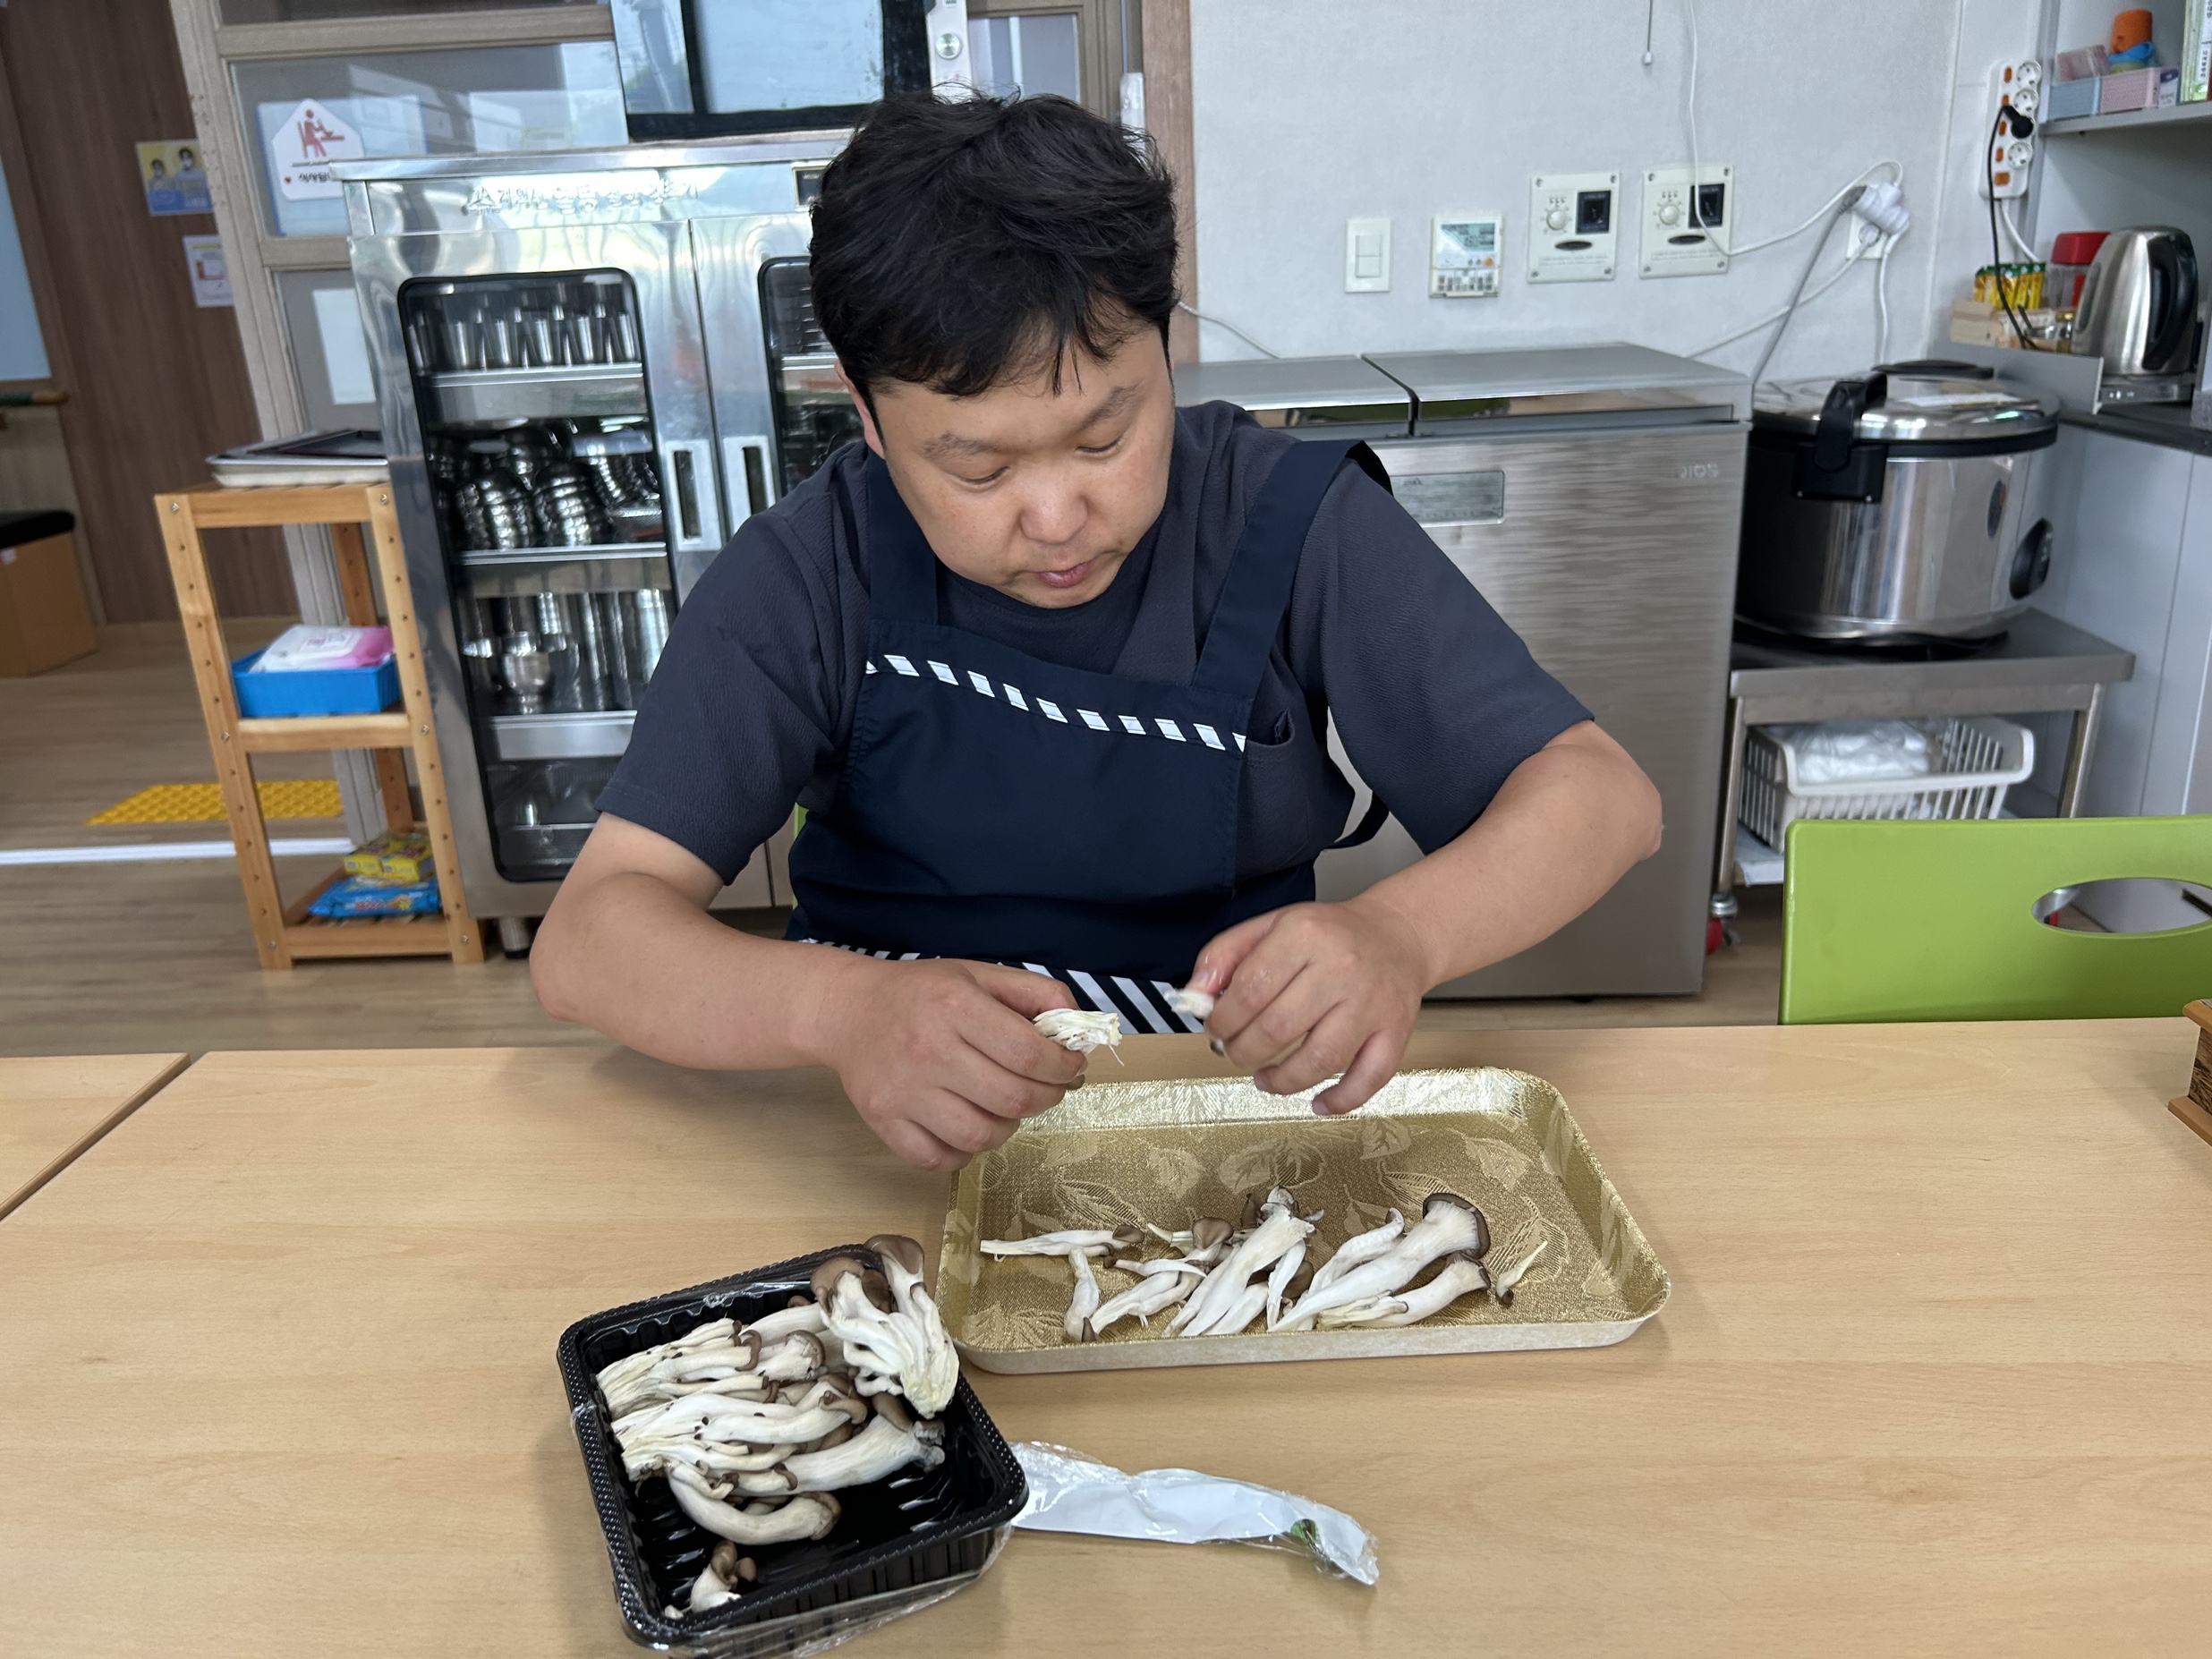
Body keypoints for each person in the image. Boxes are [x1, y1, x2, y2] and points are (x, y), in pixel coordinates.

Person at [532, 92, 1663, 1172]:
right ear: (866, 417)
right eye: (978, 467)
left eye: (1104, 437)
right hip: (889, 1132)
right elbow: (590, 941)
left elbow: (1602, 795)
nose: (1057, 518)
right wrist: (839, 1012)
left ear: (1165, 350)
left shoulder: (1286, 521)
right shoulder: (809, 570)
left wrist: (1401, 936)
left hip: (1228, 1115)